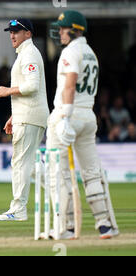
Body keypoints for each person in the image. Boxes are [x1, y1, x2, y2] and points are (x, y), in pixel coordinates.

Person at [48, 10, 119, 239]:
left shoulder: (71, 51)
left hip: (67, 114)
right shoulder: (90, 52)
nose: (60, 33)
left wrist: (65, 117)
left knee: (59, 174)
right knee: (91, 172)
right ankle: (105, 224)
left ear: (75, 30)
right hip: (88, 116)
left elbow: (70, 84)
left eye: (63, 28)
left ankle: (66, 227)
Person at [0, 19, 49, 221]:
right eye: (11, 32)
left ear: (28, 34)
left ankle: (18, 210)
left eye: (17, 31)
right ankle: (62, 194)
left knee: (21, 164)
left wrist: (6, 90)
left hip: (30, 117)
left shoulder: (29, 53)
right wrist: (14, 116)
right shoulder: (25, 54)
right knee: (30, 165)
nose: (12, 35)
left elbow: (32, 86)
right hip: (27, 115)